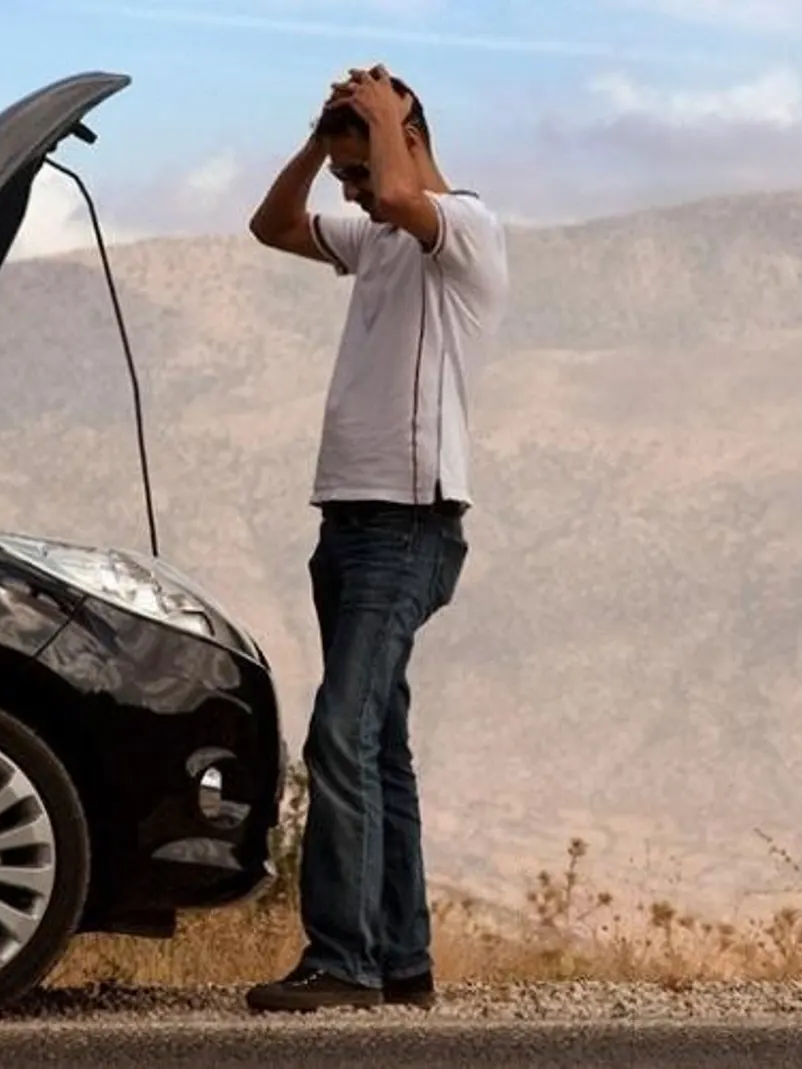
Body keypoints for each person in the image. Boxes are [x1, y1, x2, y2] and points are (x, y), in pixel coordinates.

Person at [241, 65, 508, 1013]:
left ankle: (342, 959)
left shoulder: (462, 227)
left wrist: (386, 119)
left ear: (410, 138)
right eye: (345, 178)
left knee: (340, 733)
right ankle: (402, 961)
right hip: (349, 518)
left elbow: (399, 193)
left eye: (359, 174)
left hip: (408, 520)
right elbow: (271, 224)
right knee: (380, 743)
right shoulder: (377, 239)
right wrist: (320, 145)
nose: (353, 194)